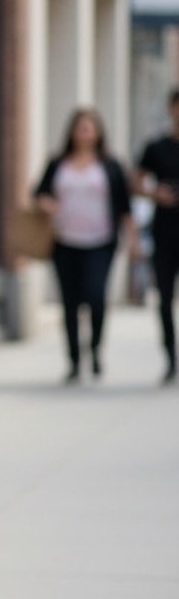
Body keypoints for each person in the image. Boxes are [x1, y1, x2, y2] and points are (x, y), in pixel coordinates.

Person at [34, 108, 137, 383]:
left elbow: (125, 206)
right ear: (71, 132)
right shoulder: (58, 163)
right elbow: (39, 192)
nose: (84, 133)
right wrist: (46, 203)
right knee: (69, 303)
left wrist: (134, 240)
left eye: (90, 128)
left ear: (99, 132)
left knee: (95, 295)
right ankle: (73, 360)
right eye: (80, 127)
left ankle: (95, 349)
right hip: (64, 242)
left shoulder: (111, 165)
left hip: (100, 241)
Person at [133, 87, 179, 383]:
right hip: (165, 232)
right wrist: (155, 193)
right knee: (163, 300)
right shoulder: (156, 147)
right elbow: (135, 182)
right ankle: (171, 357)